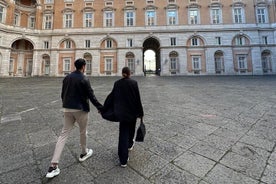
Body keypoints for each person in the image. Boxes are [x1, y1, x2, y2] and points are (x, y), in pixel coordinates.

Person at [46, 58, 103, 178]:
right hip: (80, 109)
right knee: (83, 132)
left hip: (67, 108)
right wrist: (99, 107)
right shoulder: (84, 78)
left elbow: (63, 94)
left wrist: (66, 105)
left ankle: (53, 165)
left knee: (63, 135)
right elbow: (91, 95)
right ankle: (83, 153)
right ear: (83, 66)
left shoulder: (67, 77)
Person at [105, 67, 144, 167]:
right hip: (132, 113)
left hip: (122, 113)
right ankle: (130, 145)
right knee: (131, 129)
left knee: (123, 133)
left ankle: (123, 159)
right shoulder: (134, 83)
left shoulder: (117, 83)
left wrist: (103, 108)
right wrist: (141, 113)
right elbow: (137, 99)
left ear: (122, 74)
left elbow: (111, 97)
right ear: (129, 73)